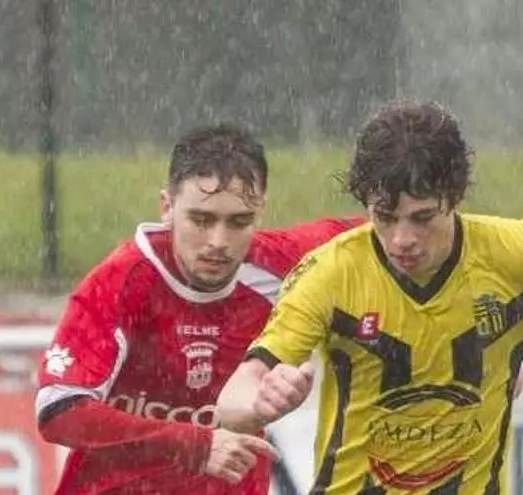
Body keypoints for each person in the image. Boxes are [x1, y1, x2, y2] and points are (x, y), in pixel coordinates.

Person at [217, 100, 523, 494]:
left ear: (455, 196)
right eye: (385, 217)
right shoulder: (329, 273)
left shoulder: (518, 255)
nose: (402, 239)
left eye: (422, 218)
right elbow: (232, 399)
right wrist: (258, 403)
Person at [34, 124, 363, 494]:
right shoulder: (121, 282)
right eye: (201, 220)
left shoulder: (286, 262)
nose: (218, 241)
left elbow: (389, 227)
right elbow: (59, 411)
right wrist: (196, 444)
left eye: (238, 221)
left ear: (260, 212)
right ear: (167, 208)